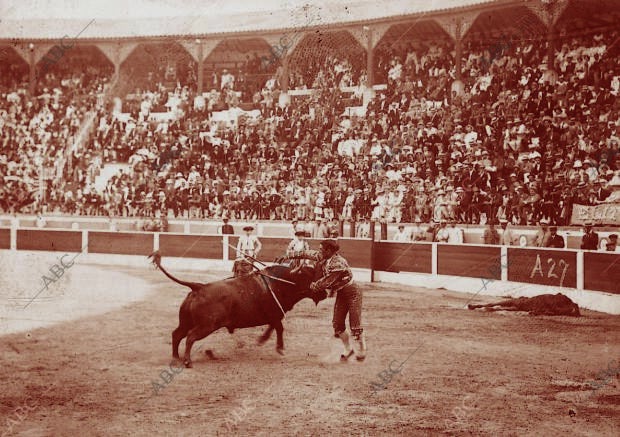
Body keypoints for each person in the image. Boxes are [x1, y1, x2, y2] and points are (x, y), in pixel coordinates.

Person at [286, 239, 366, 362]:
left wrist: (311, 286)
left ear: (329, 251)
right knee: (337, 324)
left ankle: (362, 350)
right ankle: (348, 349)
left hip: (353, 293)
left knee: (355, 325)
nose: (319, 251)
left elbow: (327, 282)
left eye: (321, 249)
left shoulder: (338, 263)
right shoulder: (324, 256)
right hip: (342, 293)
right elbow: (307, 253)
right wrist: (290, 255)